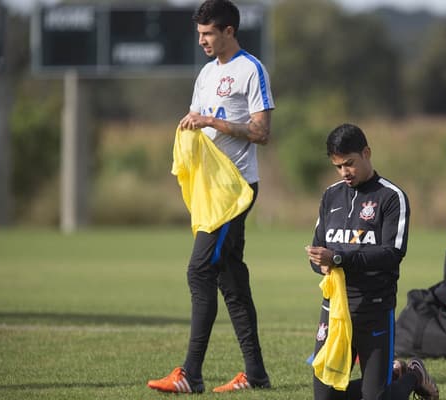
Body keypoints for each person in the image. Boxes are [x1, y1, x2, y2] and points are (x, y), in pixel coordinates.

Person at [147, 0, 274, 393]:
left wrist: (212, 121)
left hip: (234, 190)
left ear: (228, 31)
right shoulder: (204, 74)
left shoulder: (251, 69)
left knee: (199, 271)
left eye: (208, 33)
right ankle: (256, 376)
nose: (201, 40)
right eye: (199, 33)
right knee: (230, 280)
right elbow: (195, 121)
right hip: (211, 188)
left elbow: (261, 132)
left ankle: (190, 374)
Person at [306, 123, 439, 400]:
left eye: (349, 164)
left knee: (376, 397)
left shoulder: (391, 197)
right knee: (325, 397)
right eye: (338, 166)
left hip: (374, 308)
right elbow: (320, 247)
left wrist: (339, 257)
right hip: (334, 310)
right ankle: (396, 375)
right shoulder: (331, 195)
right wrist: (319, 261)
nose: (345, 172)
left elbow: (392, 253)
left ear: (366, 153)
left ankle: (413, 376)